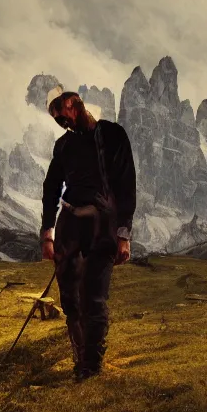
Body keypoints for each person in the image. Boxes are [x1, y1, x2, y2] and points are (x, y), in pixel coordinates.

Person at [40, 85, 136, 382]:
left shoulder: (113, 134)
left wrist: (123, 234)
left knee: (94, 297)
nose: (61, 121)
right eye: (56, 118)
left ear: (73, 103)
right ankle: (80, 356)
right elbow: (51, 187)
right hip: (69, 223)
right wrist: (47, 231)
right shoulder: (63, 146)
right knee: (69, 297)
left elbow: (126, 184)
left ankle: (90, 365)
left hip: (103, 226)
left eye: (62, 113)